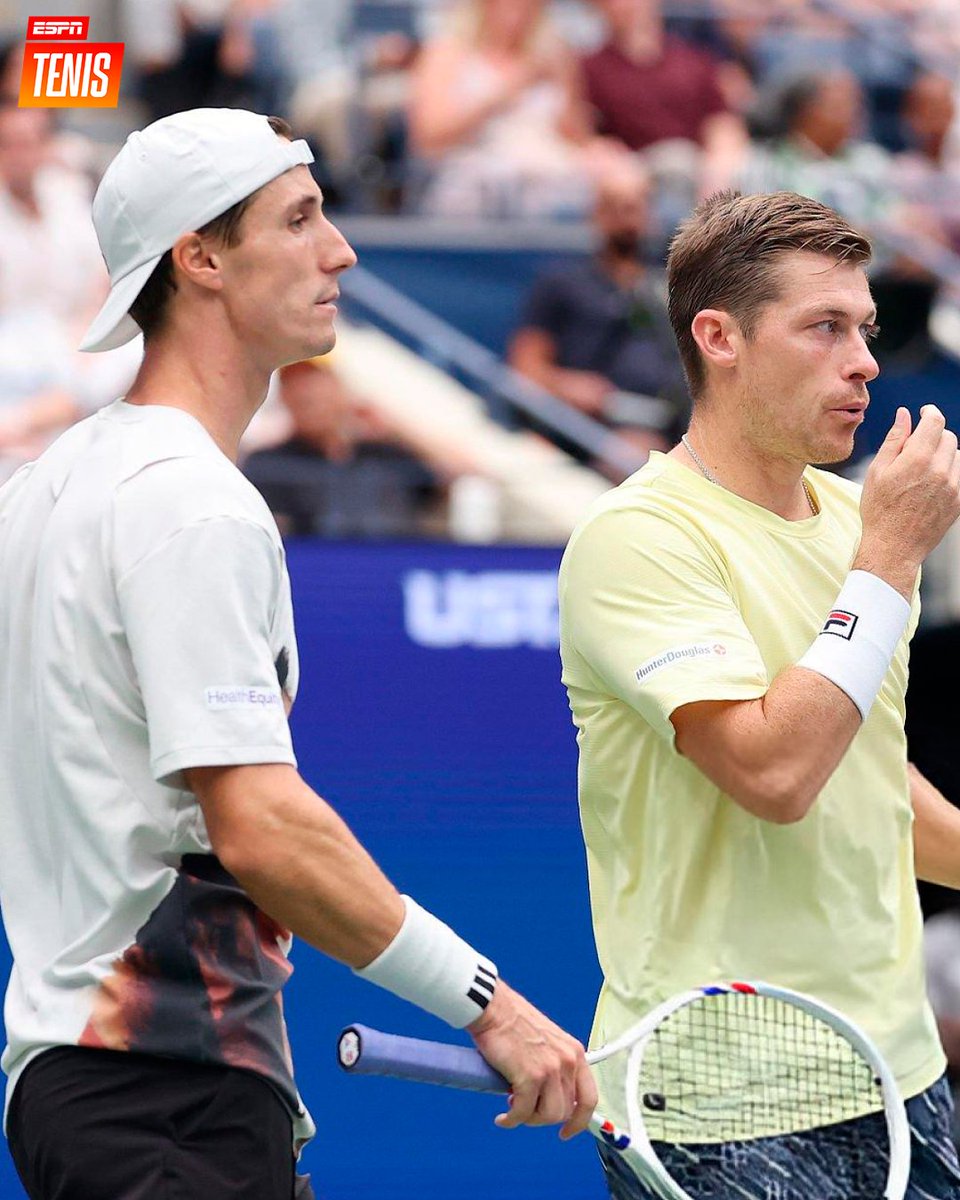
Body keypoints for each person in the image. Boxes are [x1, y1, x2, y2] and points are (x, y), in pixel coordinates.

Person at [0, 107, 596, 1200]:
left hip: (101, 1095)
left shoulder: (43, 487)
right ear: (203, 257)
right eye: (302, 217)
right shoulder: (192, 506)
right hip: (162, 1101)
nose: (343, 249)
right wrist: (493, 1005)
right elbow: (265, 829)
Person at [558, 189, 960, 1198]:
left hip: (901, 1076)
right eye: (824, 327)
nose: (864, 360)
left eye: (864, 329)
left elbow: (858, 777)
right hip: (720, 1109)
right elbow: (777, 771)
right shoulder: (637, 539)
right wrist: (891, 561)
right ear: (718, 338)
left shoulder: (851, 521)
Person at [508, 156, 685, 477]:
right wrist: (566, 386)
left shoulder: (671, 287)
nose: (627, 219)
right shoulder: (561, 283)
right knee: (635, 458)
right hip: (586, 428)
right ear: (596, 214)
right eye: (615, 207)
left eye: (635, 206)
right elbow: (525, 368)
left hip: (671, 421)